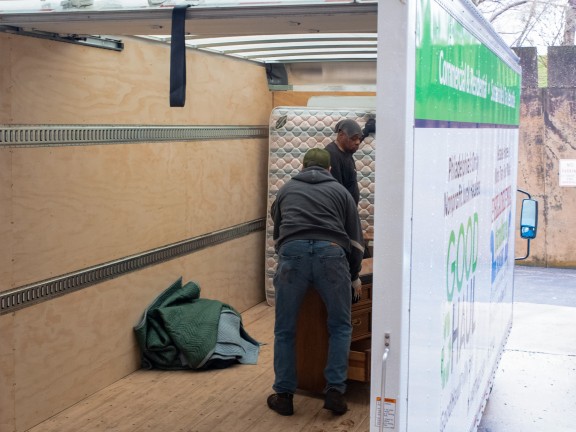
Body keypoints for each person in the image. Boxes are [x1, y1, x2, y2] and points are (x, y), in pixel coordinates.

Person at [267, 148, 365, 417]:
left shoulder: (286, 190)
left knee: (285, 328)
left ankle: (284, 395)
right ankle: (334, 391)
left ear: (303, 166)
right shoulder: (342, 193)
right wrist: (354, 274)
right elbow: (356, 240)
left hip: (293, 255)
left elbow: (278, 230)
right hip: (332, 256)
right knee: (340, 326)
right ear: (330, 169)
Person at [324, 119, 364, 205]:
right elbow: (336, 190)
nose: (358, 142)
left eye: (359, 139)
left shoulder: (347, 152)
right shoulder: (332, 155)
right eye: (353, 138)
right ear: (341, 134)